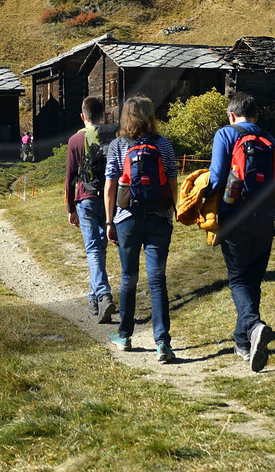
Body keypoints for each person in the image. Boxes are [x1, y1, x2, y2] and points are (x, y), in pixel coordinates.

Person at [208, 92, 275, 372]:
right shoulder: (270, 140)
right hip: (266, 220)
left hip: (235, 217)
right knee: (252, 282)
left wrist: (204, 202)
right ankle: (243, 343)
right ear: (256, 116)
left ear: (231, 115)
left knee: (237, 280)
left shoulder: (226, 134)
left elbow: (218, 177)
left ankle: (254, 327)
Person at [103, 95, 178, 363]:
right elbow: (171, 182)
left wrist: (110, 221)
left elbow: (110, 186)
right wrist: (171, 212)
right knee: (157, 279)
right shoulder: (164, 145)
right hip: (158, 218)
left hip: (127, 220)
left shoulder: (117, 146)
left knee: (128, 277)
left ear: (126, 117)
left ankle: (125, 335)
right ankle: (163, 343)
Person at [64, 96, 117, 323]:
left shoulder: (74, 141)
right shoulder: (111, 137)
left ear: (82, 116)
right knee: (100, 249)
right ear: (103, 115)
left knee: (94, 249)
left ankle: (103, 295)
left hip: (84, 200)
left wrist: (70, 208)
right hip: (107, 200)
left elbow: (70, 178)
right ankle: (93, 296)